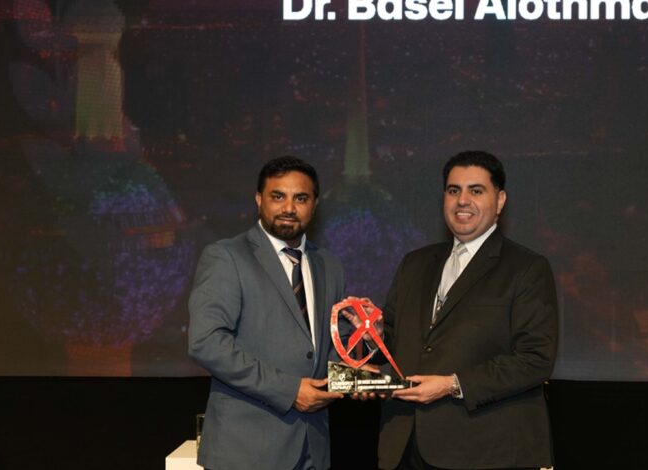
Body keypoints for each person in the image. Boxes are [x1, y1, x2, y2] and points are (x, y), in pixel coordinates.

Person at [377, 151, 559, 470]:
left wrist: (452, 384)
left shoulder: (526, 268)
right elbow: (392, 342)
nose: (462, 200)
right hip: (406, 445)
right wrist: (372, 335)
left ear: (499, 201)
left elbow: (535, 359)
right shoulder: (414, 264)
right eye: (453, 190)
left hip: (484, 452)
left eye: (476, 190)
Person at [188, 156, 345, 470]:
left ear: (315, 205)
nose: (289, 207)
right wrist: (289, 390)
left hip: (314, 448)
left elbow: (331, 346)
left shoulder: (329, 264)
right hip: (246, 452)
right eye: (278, 196)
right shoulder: (226, 256)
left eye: (301, 198)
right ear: (259, 200)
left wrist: (363, 353)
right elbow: (206, 342)